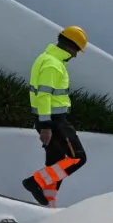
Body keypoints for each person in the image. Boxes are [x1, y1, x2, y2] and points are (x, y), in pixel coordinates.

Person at [21, 26, 89, 208]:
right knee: (77, 158)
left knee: (56, 163)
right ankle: (35, 181)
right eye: (76, 50)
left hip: (50, 120)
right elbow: (44, 96)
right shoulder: (52, 65)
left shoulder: (48, 59)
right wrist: (46, 125)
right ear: (69, 46)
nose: (75, 55)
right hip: (54, 121)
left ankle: (49, 204)